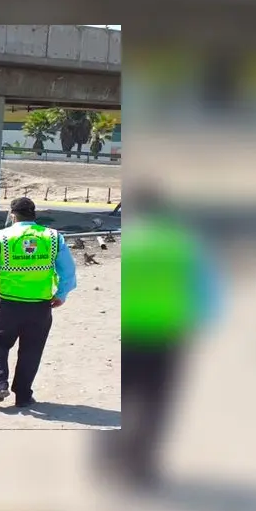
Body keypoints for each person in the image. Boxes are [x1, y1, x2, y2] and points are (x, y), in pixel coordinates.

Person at [99, 185, 218, 488]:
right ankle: (141, 464)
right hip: (167, 333)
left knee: (123, 395)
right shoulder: (183, 245)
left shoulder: (131, 244)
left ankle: (108, 455)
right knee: (156, 402)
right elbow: (204, 291)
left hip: (130, 331)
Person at [0, 197, 77, 408]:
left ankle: (0, 384)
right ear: (33, 214)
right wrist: (61, 294)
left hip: (10, 304)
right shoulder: (53, 237)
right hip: (40, 306)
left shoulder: (2, 237)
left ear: (13, 214)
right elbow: (69, 271)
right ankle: (23, 395)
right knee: (32, 350)